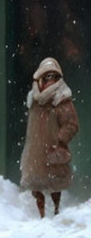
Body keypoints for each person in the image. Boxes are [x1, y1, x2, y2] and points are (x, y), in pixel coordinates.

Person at [20, 57, 78, 218]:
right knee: (35, 185)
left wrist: (60, 140)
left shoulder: (62, 97)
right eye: (46, 77)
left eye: (53, 77)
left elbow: (71, 124)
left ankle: (56, 212)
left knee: (55, 184)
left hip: (53, 149)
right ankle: (40, 215)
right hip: (34, 151)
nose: (49, 81)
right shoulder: (33, 98)